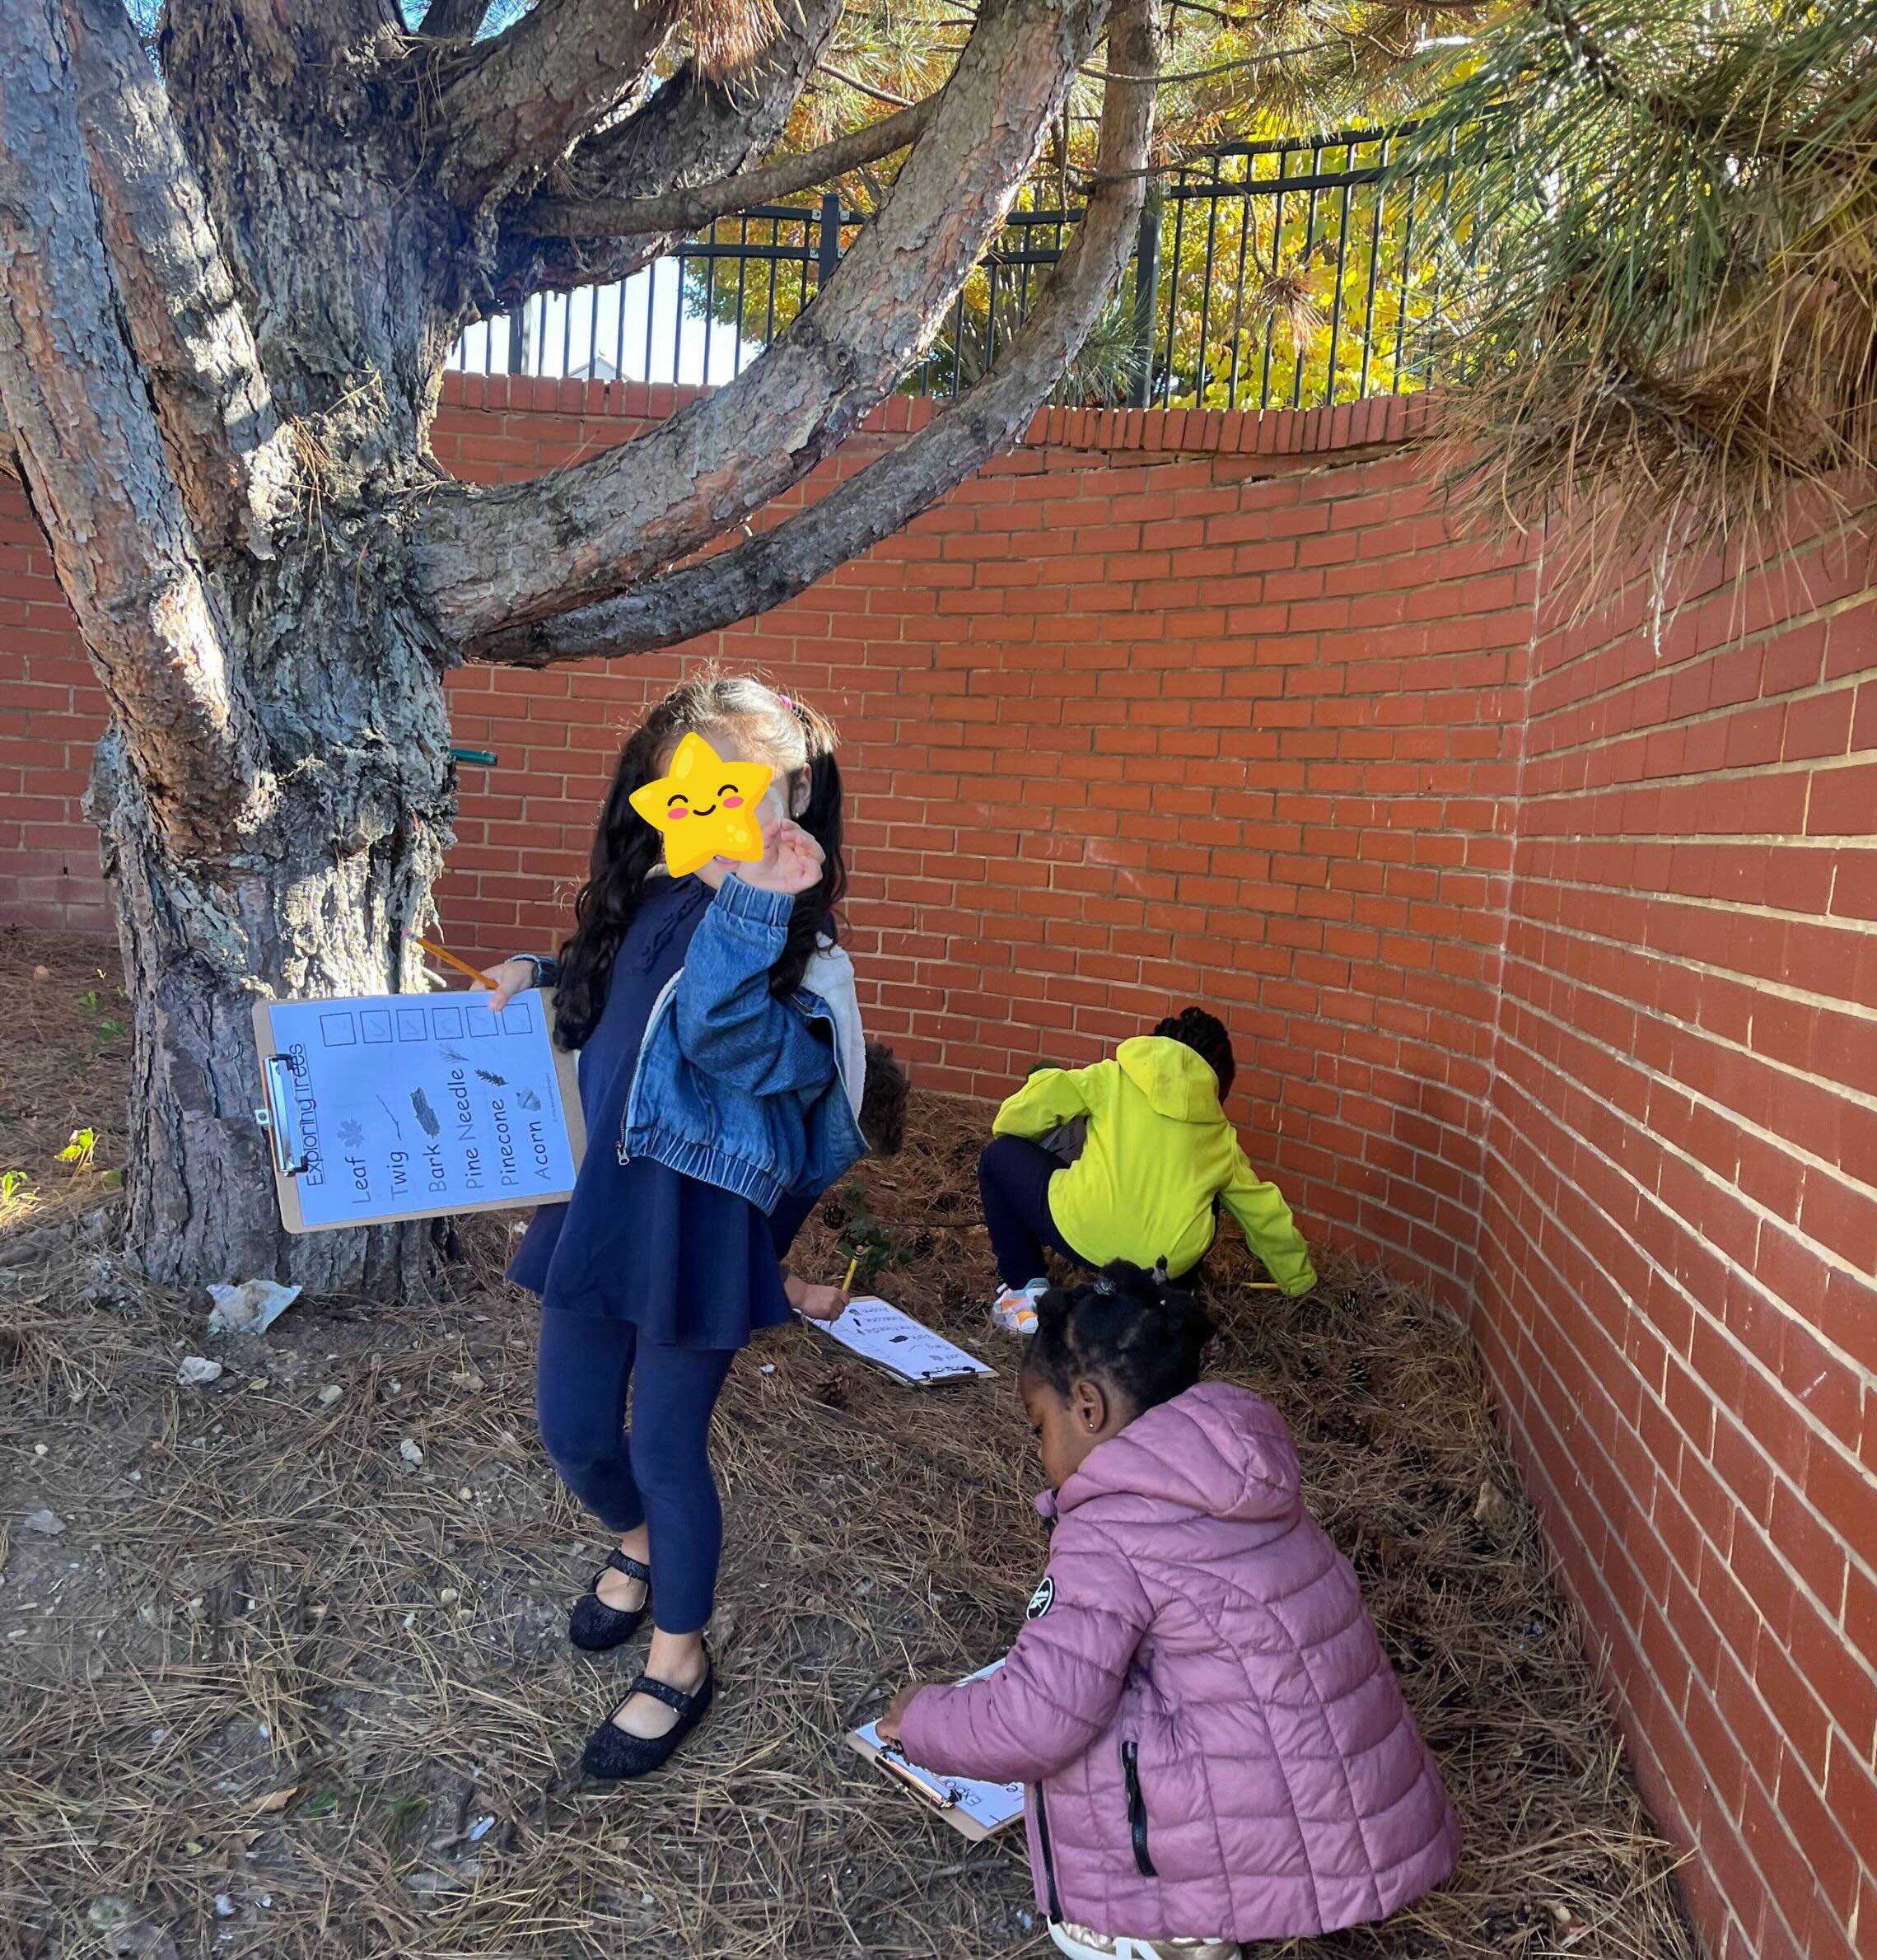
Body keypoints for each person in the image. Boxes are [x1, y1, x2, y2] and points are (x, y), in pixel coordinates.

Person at [479, 673, 868, 1781]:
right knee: (576, 1434)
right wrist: (545, 973)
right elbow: (625, 1000)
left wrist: (755, 901)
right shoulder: (653, 894)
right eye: (690, 792)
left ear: (795, 789)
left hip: (694, 1228)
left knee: (663, 1450)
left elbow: (719, 1032)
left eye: (751, 788)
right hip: (601, 1207)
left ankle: (681, 1657)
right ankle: (639, 1547)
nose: (720, 813)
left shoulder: (804, 956)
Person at [877, 1263, 1460, 1960]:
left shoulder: (1108, 1533)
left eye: (1041, 1427)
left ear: (1088, 1408)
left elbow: (1034, 1720)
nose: (1040, 1454)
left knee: (1082, 1720)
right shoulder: (1247, 1477)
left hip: (1246, 1837)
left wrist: (922, 1720)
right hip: (1345, 1813)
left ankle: (1169, 1929)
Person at [979, 1007, 1314, 1333]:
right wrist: (1297, 1280)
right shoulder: (1220, 1134)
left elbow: (1043, 1097)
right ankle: (1167, 1301)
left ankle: (1026, 1294)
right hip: (1165, 1262)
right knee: (1209, 1199)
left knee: (999, 1157)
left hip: (1083, 1232)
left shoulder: (1111, 1077)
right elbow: (1263, 1212)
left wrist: (1012, 1126)